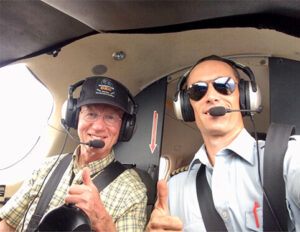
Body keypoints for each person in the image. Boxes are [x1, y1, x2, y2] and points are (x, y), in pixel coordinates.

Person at [146, 55, 300, 231]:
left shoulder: (289, 157)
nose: (211, 96)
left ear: (244, 95)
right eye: (198, 90)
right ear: (187, 106)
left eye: (224, 86)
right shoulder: (174, 189)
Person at [0, 76, 148, 232]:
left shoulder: (133, 191)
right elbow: (7, 224)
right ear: (75, 118)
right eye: (91, 114)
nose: (98, 126)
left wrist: (103, 222)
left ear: (124, 127)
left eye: (110, 117)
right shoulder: (45, 168)